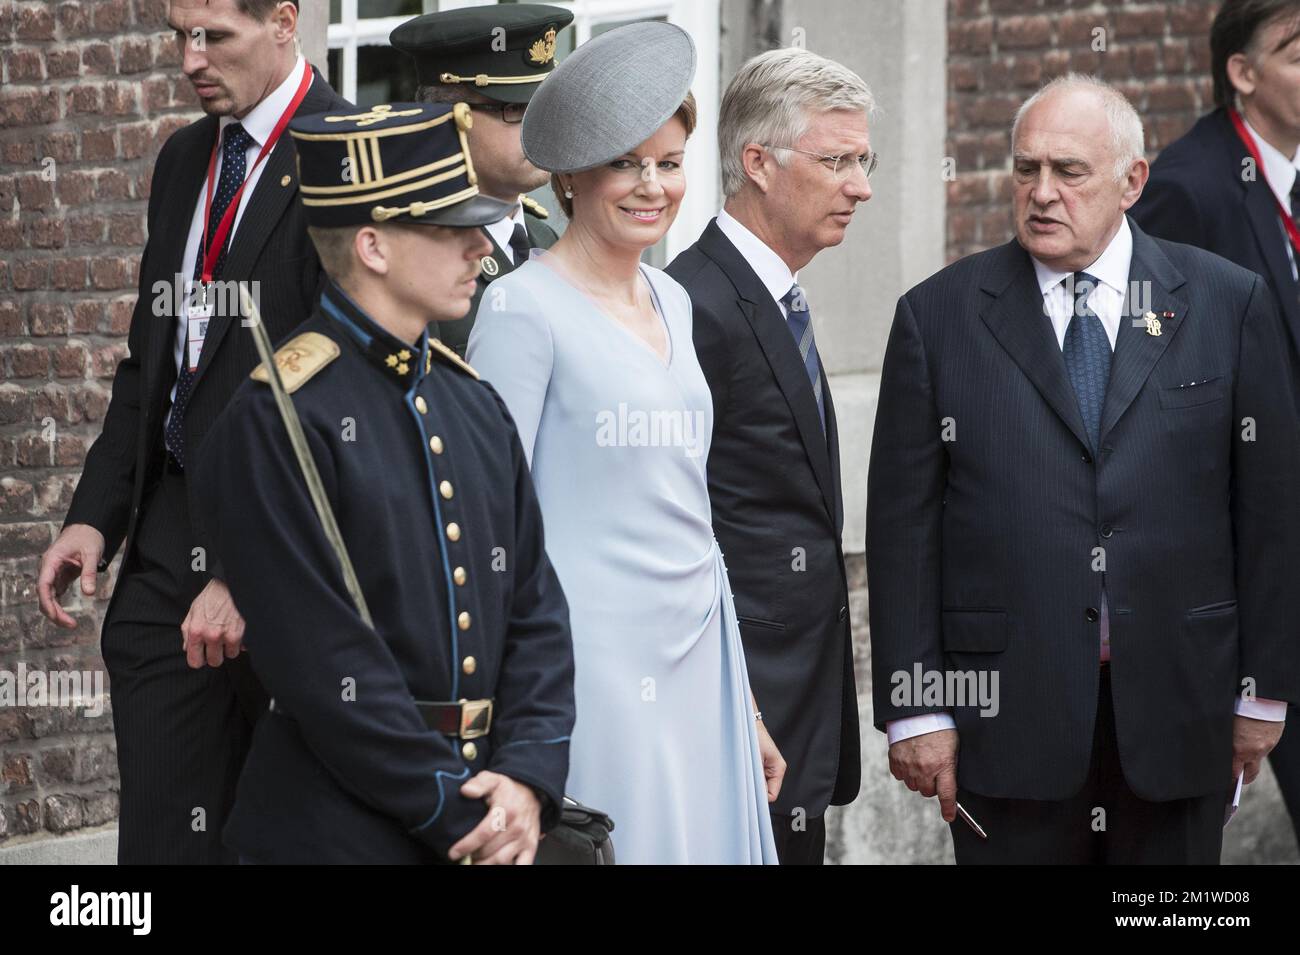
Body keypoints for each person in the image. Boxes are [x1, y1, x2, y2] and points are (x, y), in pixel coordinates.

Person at [868, 74, 1300, 864]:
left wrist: (1264, 690)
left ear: (1132, 181)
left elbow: (1271, 515)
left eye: (1069, 172)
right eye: (1025, 168)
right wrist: (916, 708)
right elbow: (904, 528)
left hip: (1181, 709)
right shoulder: (937, 318)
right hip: (1006, 721)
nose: (1041, 193)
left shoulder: (1226, 303)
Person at [193, 102, 576, 864]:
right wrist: (457, 813)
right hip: (339, 830)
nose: (479, 246)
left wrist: (527, 777)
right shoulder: (277, 418)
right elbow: (324, 665)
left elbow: (536, 611)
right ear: (371, 244)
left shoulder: (473, 404)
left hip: (490, 809)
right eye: (449, 228)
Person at [34, 0, 350, 864]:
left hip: (297, 551)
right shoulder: (182, 161)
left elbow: (349, 397)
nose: (189, 60)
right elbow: (151, 361)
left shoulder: (347, 154)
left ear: (285, 21)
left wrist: (255, 569)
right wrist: (95, 516)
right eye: (180, 36)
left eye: (214, 36)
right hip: (171, 539)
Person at [467, 22, 780, 864]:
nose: (652, 186)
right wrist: (512, 717)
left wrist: (743, 705)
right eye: (624, 163)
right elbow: (492, 518)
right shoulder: (521, 310)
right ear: (570, 177)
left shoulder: (674, 301)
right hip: (591, 665)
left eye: (669, 163)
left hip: (699, 653)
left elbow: (693, 512)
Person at [665, 48, 872, 865]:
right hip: (735, 721)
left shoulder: (779, 290)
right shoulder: (692, 304)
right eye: (837, 160)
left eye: (864, 160)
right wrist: (736, 709)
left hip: (796, 717)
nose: (860, 185)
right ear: (757, 162)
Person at [1131, 0, 1300, 847]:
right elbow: (1149, 349)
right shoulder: (1188, 184)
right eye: (1299, 51)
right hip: (1256, 569)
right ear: (1243, 72)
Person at [390, 3, 572, 355]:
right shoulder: (416, 260)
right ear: (448, 119)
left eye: (542, 107)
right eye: (515, 109)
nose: (538, 126)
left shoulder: (544, 238)